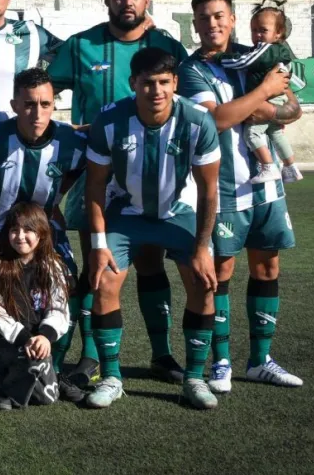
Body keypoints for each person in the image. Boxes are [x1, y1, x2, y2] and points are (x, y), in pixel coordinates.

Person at [46, 0, 190, 390]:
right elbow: (45, 93)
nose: (127, 2)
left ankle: (161, 354)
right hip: (99, 175)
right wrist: (68, 131)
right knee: (99, 264)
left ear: (148, 1)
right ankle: (92, 356)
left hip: (155, 171)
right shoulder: (81, 46)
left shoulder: (166, 45)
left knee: (149, 261)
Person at [178, 0, 303, 396]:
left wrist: (269, 103)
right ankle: (222, 362)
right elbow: (216, 121)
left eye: (219, 16)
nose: (212, 24)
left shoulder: (259, 54)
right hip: (226, 190)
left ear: (232, 19)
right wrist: (264, 96)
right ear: (194, 25)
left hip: (265, 187)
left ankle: (260, 360)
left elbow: (293, 109)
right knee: (222, 275)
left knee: (268, 269)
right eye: (203, 18)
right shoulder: (192, 69)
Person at [85, 47, 221, 410]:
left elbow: (209, 189)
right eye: (147, 83)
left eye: (164, 82)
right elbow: (95, 186)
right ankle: (112, 377)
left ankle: (194, 378)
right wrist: (98, 243)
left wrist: (203, 248)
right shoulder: (110, 119)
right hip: (126, 213)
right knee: (105, 280)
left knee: (202, 282)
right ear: (133, 83)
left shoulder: (197, 120)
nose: (156, 91)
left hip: (179, 213)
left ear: (175, 82)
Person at [0, 67, 86, 406]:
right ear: (14, 104)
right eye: (28, 104)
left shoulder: (70, 142)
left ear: (54, 105)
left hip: (41, 232)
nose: (36, 113)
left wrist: (55, 201)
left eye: (44, 104)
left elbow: (86, 164)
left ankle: (51, 369)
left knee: (68, 285)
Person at [0, 203, 71, 410]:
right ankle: (2, 388)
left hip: (40, 339)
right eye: (14, 230)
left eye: (28, 230)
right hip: (10, 340)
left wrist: (44, 336)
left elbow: (59, 308)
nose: (20, 236)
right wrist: (25, 338)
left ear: (41, 234)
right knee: (28, 360)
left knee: (47, 398)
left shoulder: (53, 266)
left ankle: (10, 382)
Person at [214, 7, 304, 184]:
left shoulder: (268, 50)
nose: (258, 35)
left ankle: (268, 166)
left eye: (263, 30)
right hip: (277, 96)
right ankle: (291, 166)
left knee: (252, 134)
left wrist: (219, 58)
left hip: (271, 97)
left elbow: (245, 61)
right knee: (275, 132)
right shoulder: (275, 50)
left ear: (278, 33)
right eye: (254, 30)